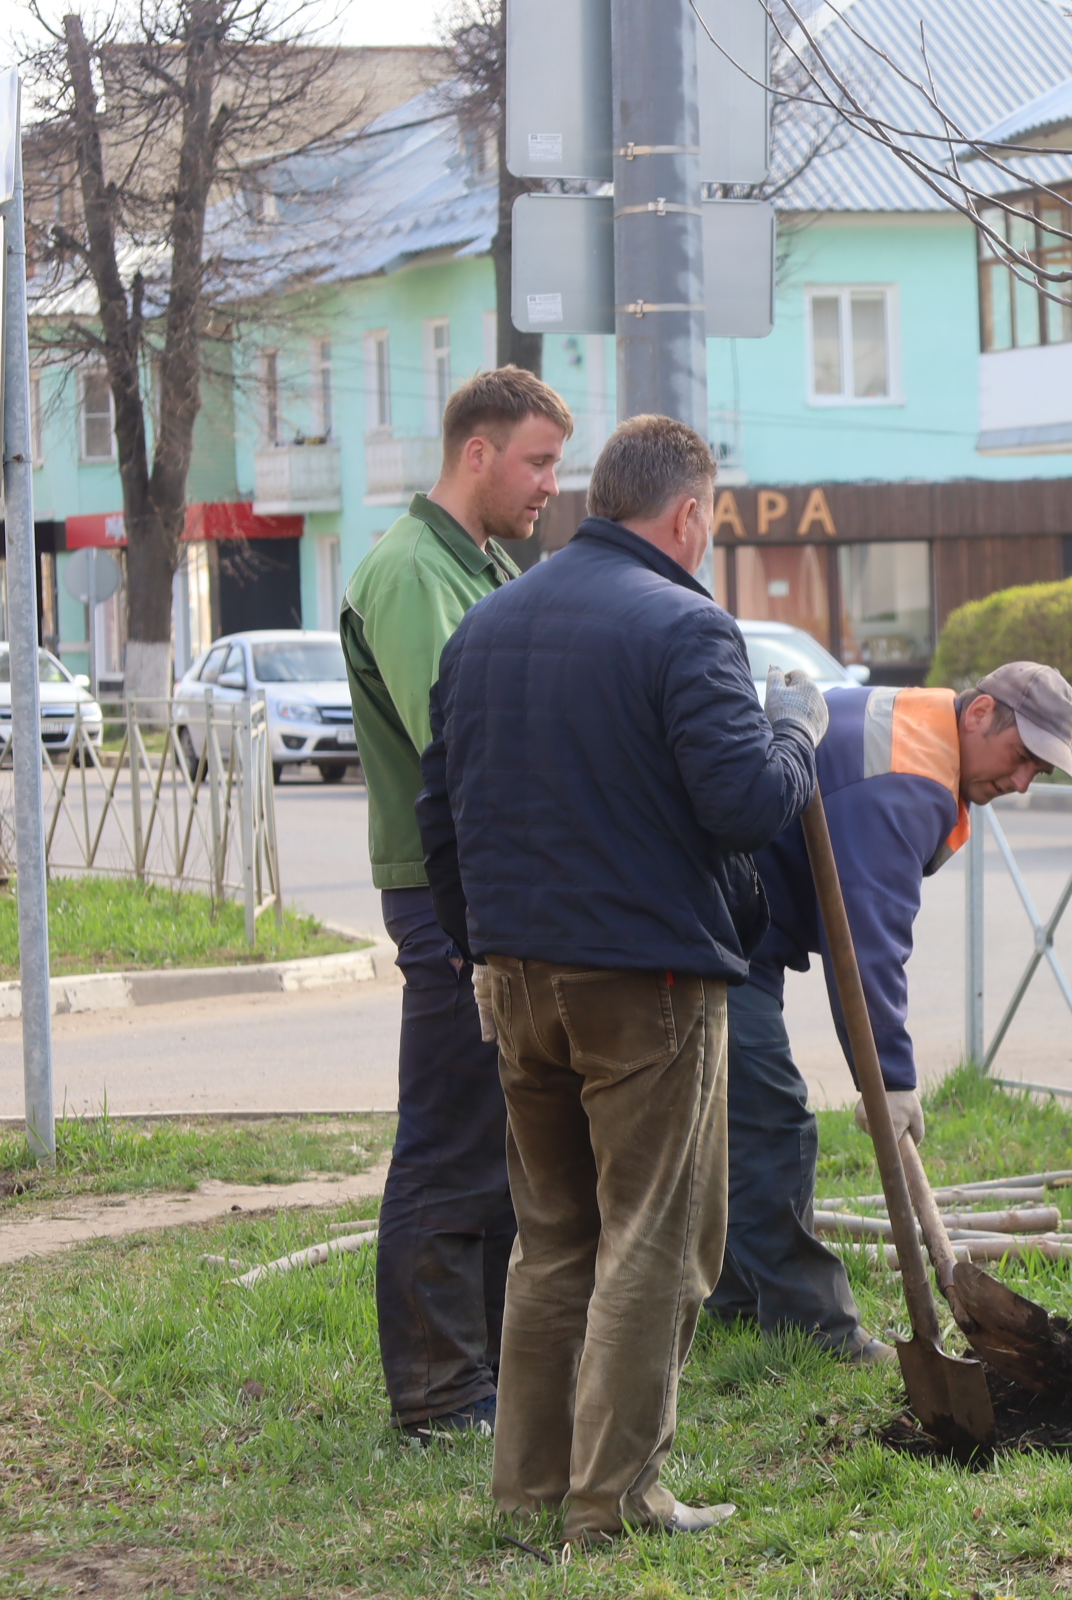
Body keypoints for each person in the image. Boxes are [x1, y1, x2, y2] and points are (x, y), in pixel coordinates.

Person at [418, 414, 824, 1544]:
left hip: (514, 973)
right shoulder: (687, 627)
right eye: (711, 519)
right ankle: (617, 1497)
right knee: (656, 1234)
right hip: (644, 980)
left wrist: (476, 947)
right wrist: (797, 728)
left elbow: (435, 812)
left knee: (553, 1235)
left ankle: (530, 1487)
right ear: (688, 514)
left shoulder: (486, 624)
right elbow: (744, 804)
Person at [710, 661, 1072, 1358]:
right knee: (772, 1120)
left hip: (736, 910)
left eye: (1041, 771)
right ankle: (810, 1326)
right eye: (1021, 756)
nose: (1023, 782)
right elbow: (865, 937)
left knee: (732, 1117)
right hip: (713, 920)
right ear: (979, 715)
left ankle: (732, 1299)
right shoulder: (909, 778)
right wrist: (889, 1076)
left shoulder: (918, 718)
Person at [340, 365, 572, 1445]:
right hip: (445, 891)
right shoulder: (409, 571)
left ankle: (481, 1379)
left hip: (489, 885)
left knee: (498, 1137)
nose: (547, 488)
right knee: (448, 1136)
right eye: (536, 462)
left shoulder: (475, 564)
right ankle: (437, 1393)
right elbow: (468, 743)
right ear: (475, 452)